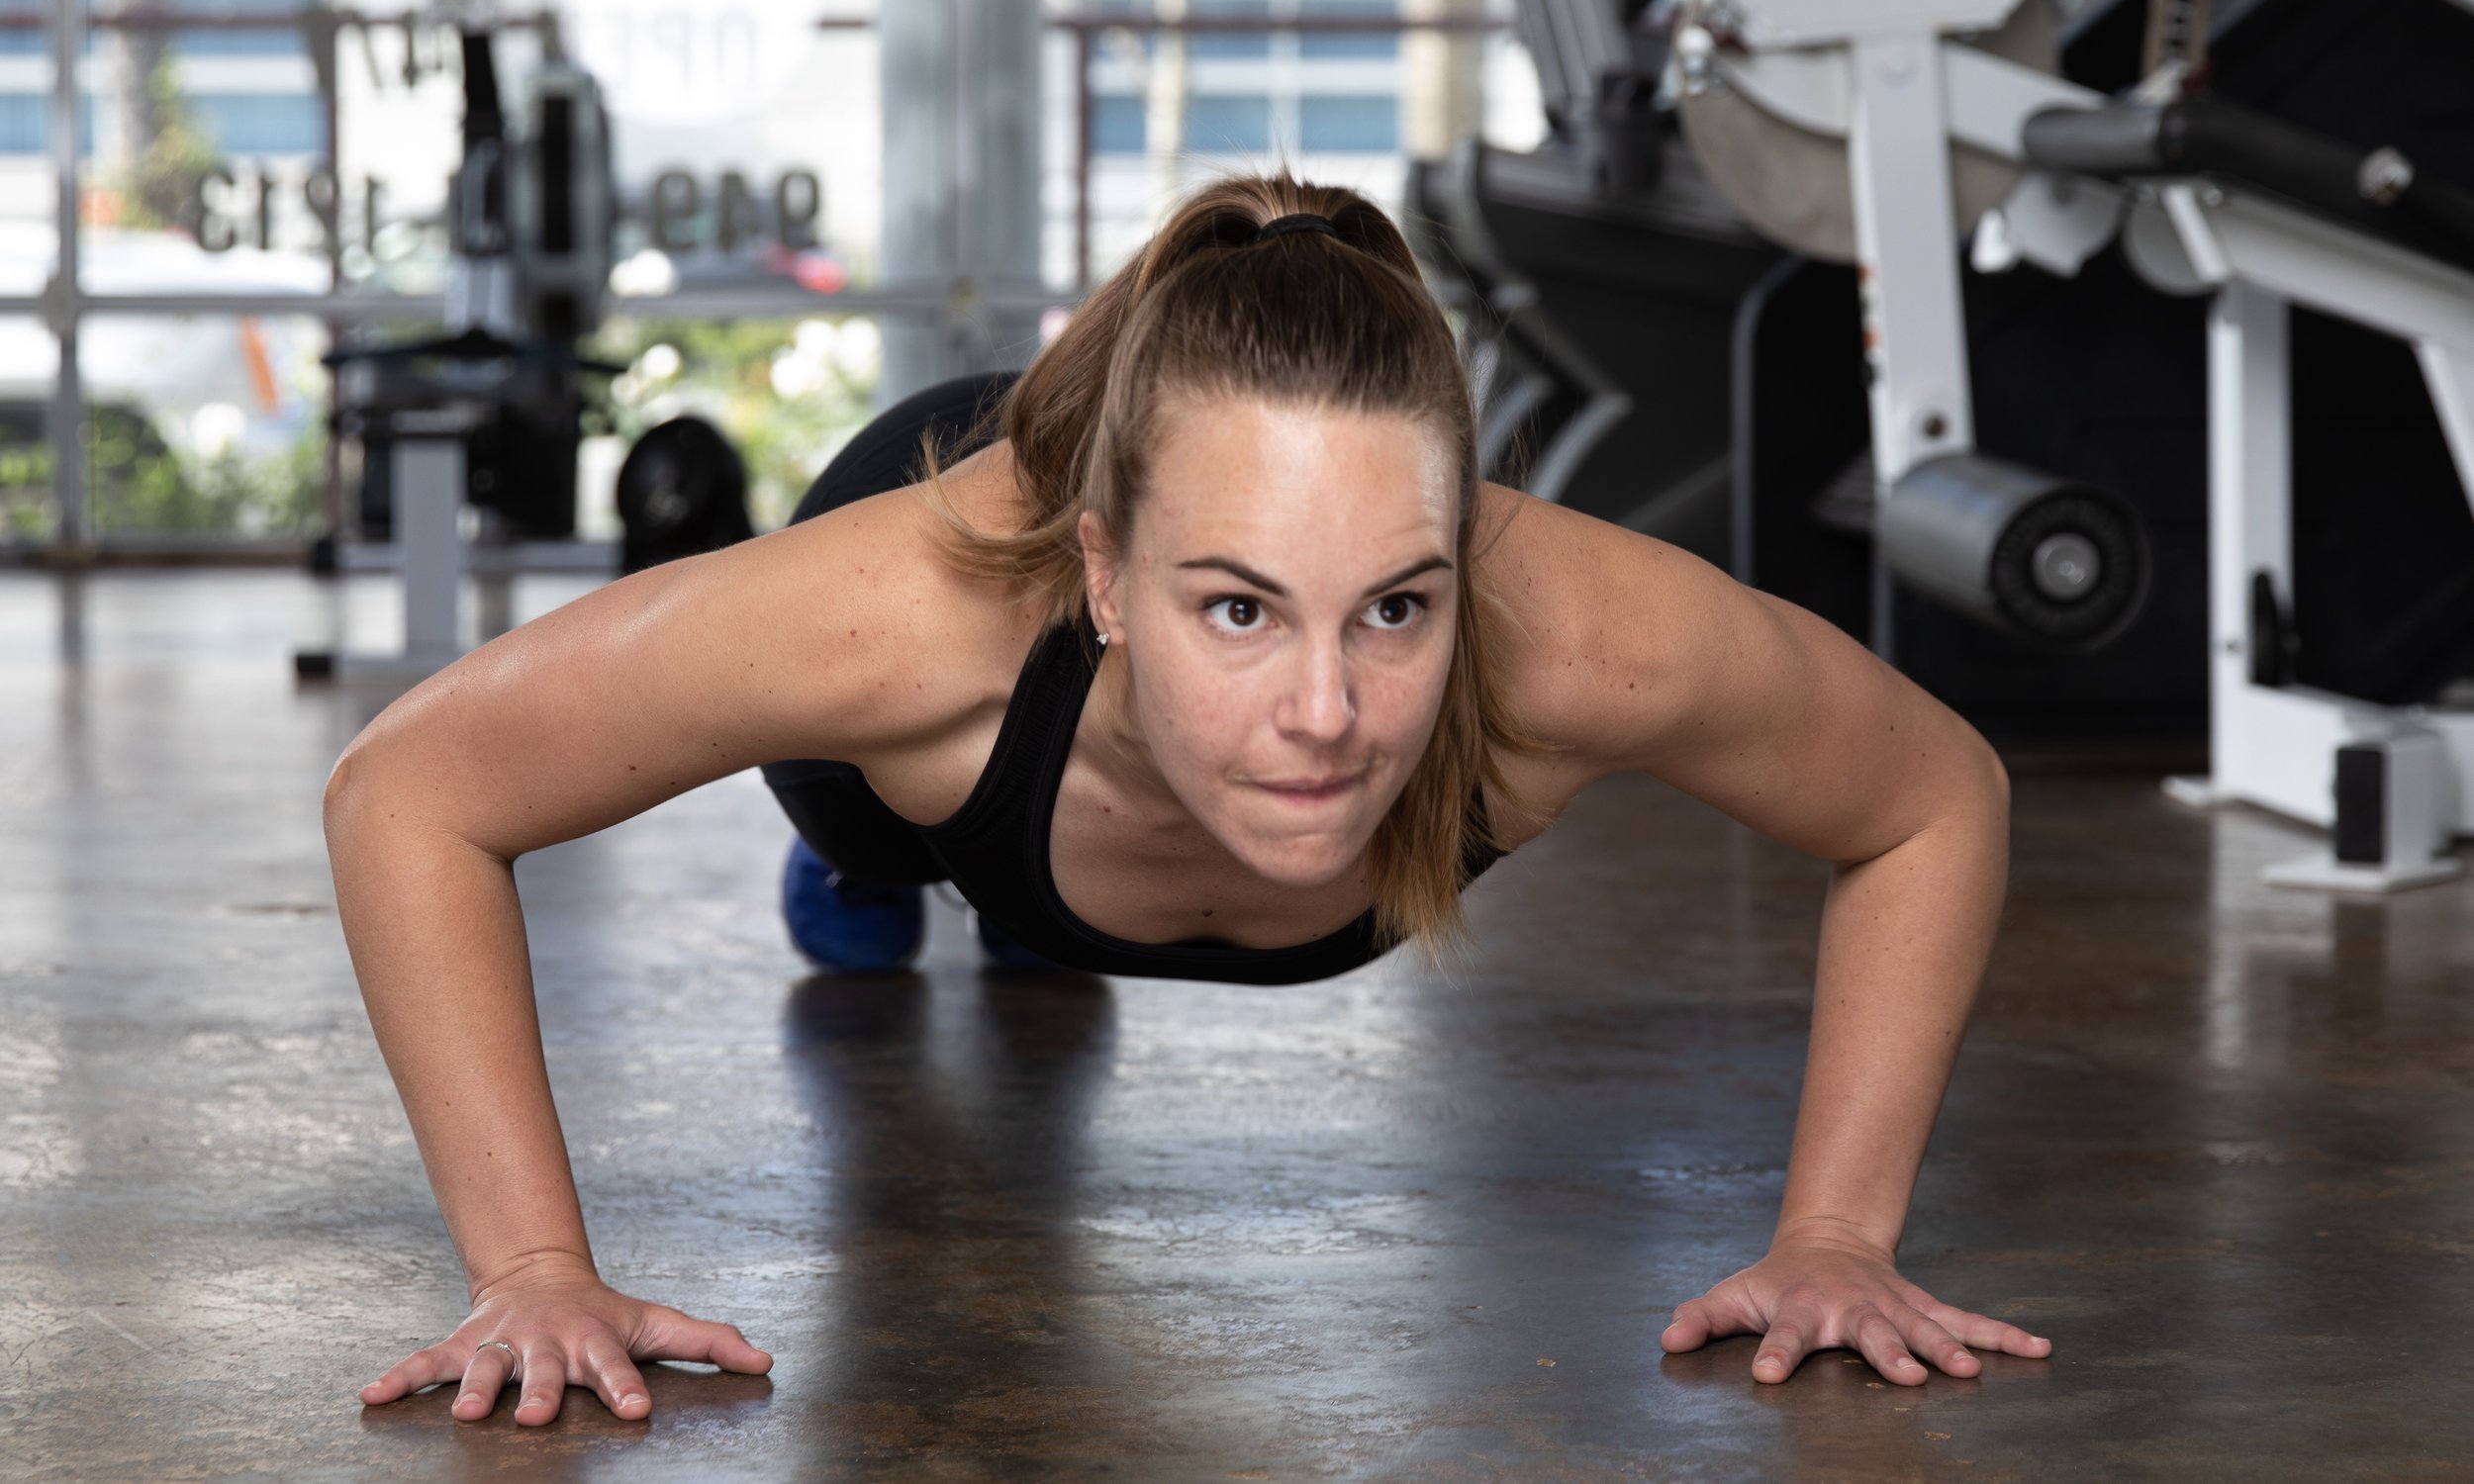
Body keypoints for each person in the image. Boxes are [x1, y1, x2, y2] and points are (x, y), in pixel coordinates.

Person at [329, 172, 2046, 1429]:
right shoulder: (896, 625)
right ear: (1105, 573)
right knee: (863, 847)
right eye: (1238, 607)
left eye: (1398, 607)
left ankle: (1040, 907)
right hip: (943, 746)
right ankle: (911, 878)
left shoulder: (1585, 643)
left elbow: (1931, 796)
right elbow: (408, 787)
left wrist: (1836, 1234)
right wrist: (533, 1272)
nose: (1325, 716)